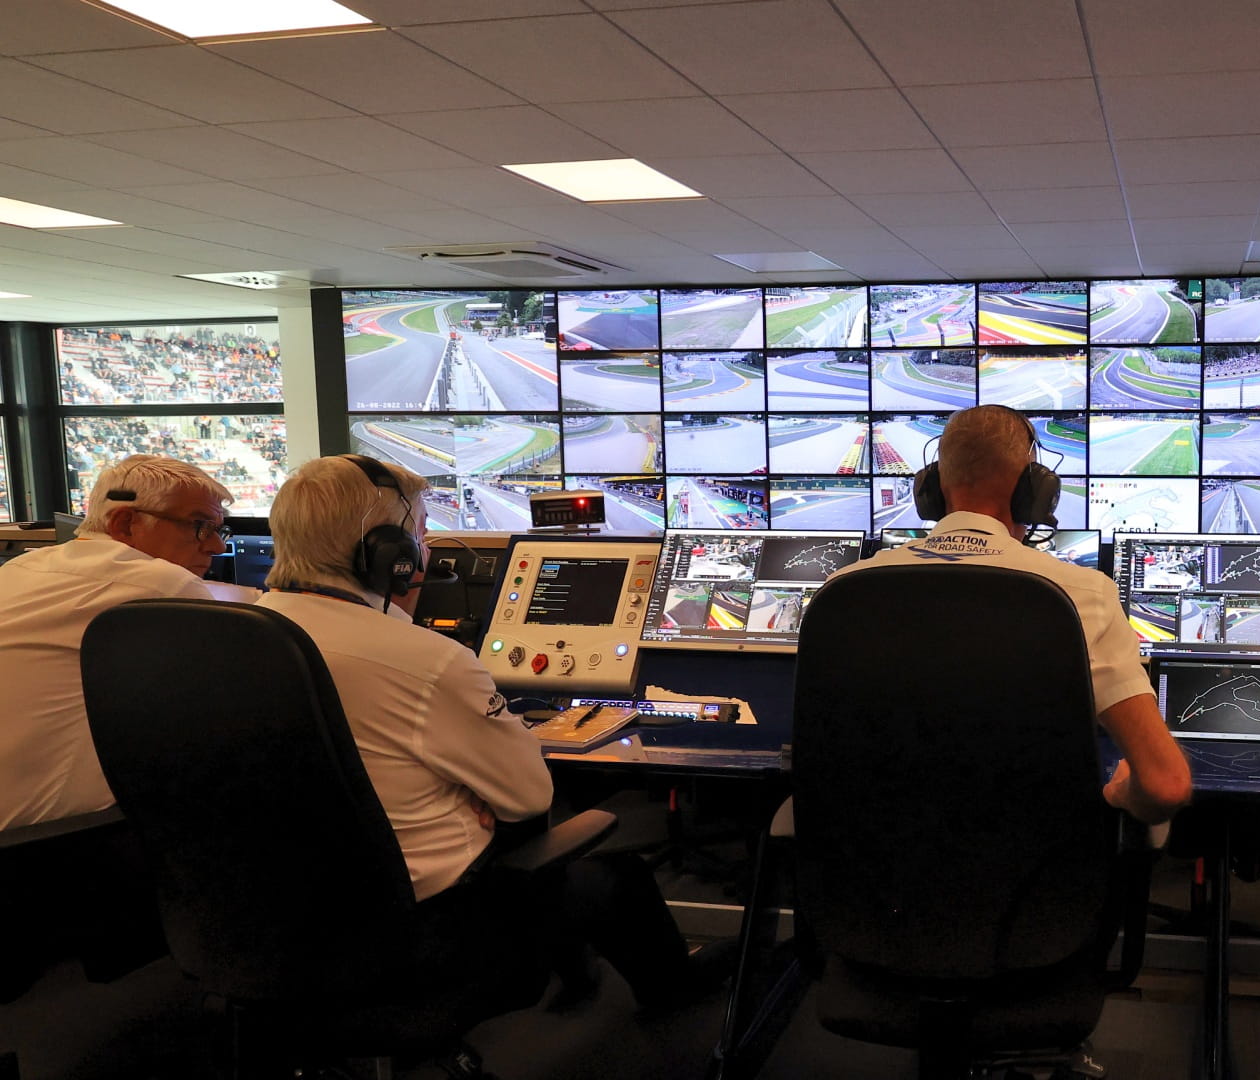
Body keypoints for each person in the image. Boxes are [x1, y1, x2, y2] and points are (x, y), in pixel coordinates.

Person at [254, 455, 723, 1012]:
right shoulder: (424, 663)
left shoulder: (235, 635)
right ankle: (676, 998)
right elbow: (529, 798)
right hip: (415, 935)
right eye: (420, 536)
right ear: (391, 559)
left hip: (262, 924)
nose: (424, 554)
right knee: (616, 876)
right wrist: (469, 792)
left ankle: (575, 970)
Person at [837, 404, 1192, 823]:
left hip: (873, 867)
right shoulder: (1083, 595)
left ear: (930, 488)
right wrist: (1117, 793)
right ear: (1034, 494)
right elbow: (1165, 785)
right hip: (1036, 873)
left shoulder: (845, 590)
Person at [0, 454, 232, 829]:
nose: (217, 546)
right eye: (200, 526)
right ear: (125, 522)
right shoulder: (164, 584)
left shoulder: (21, 567)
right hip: (48, 845)